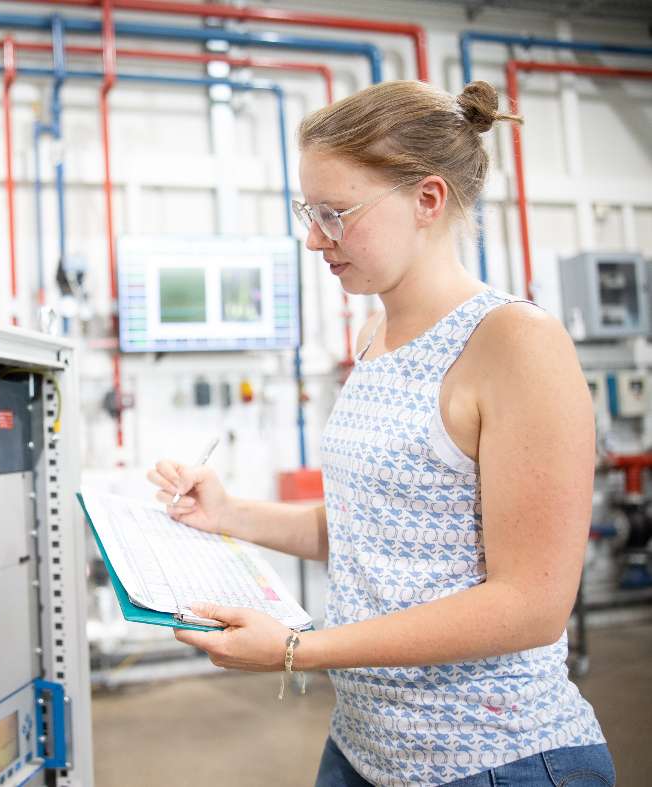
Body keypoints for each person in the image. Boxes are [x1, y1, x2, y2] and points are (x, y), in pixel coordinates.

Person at [147, 80, 615, 786]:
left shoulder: (516, 342)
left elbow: (531, 606)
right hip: (367, 748)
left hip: (496, 757)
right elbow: (375, 532)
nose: (313, 238)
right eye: (310, 211)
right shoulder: (375, 336)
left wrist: (297, 648)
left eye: (335, 214)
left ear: (427, 200)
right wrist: (228, 514)